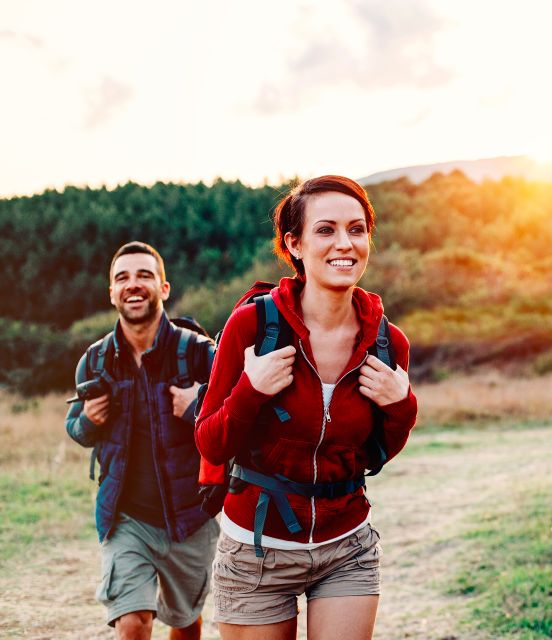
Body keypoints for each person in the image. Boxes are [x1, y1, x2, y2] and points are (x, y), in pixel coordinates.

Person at [194, 175, 418, 640]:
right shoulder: (252, 327)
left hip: (347, 546)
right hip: (257, 552)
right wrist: (250, 392)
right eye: (326, 230)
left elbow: (375, 453)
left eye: (357, 230)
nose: (345, 244)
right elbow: (210, 441)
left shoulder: (387, 342)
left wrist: (403, 407)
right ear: (293, 245)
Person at [65, 241, 219, 640]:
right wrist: (87, 420)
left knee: (185, 622)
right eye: (123, 278)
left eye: (144, 275)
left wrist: (195, 407)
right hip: (125, 518)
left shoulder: (200, 353)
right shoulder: (95, 360)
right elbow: (75, 428)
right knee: (133, 622)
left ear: (164, 288)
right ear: (112, 293)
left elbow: (235, 420)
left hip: (192, 516)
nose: (133, 285)